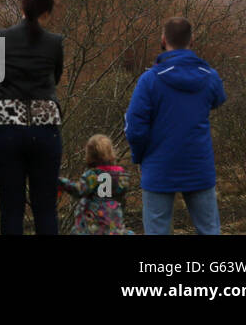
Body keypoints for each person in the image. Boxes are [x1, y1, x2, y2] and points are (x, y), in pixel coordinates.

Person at [125, 16, 226, 235]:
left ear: (163, 40)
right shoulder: (210, 77)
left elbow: (134, 127)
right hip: (199, 165)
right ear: (192, 40)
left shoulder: (149, 80)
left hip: (158, 166)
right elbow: (218, 99)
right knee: (209, 230)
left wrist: (140, 157)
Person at [0, 0, 64, 236]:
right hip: (45, 128)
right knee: (46, 210)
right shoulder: (55, 43)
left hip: (8, 126)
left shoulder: (1, 37)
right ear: (47, 13)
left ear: (23, 6)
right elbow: (55, 78)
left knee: (11, 210)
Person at [59, 134, 133, 235]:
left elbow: (79, 190)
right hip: (113, 221)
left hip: (93, 224)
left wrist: (62, 182)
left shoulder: (93, 175)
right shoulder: (121, 175)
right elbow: (122, 194)